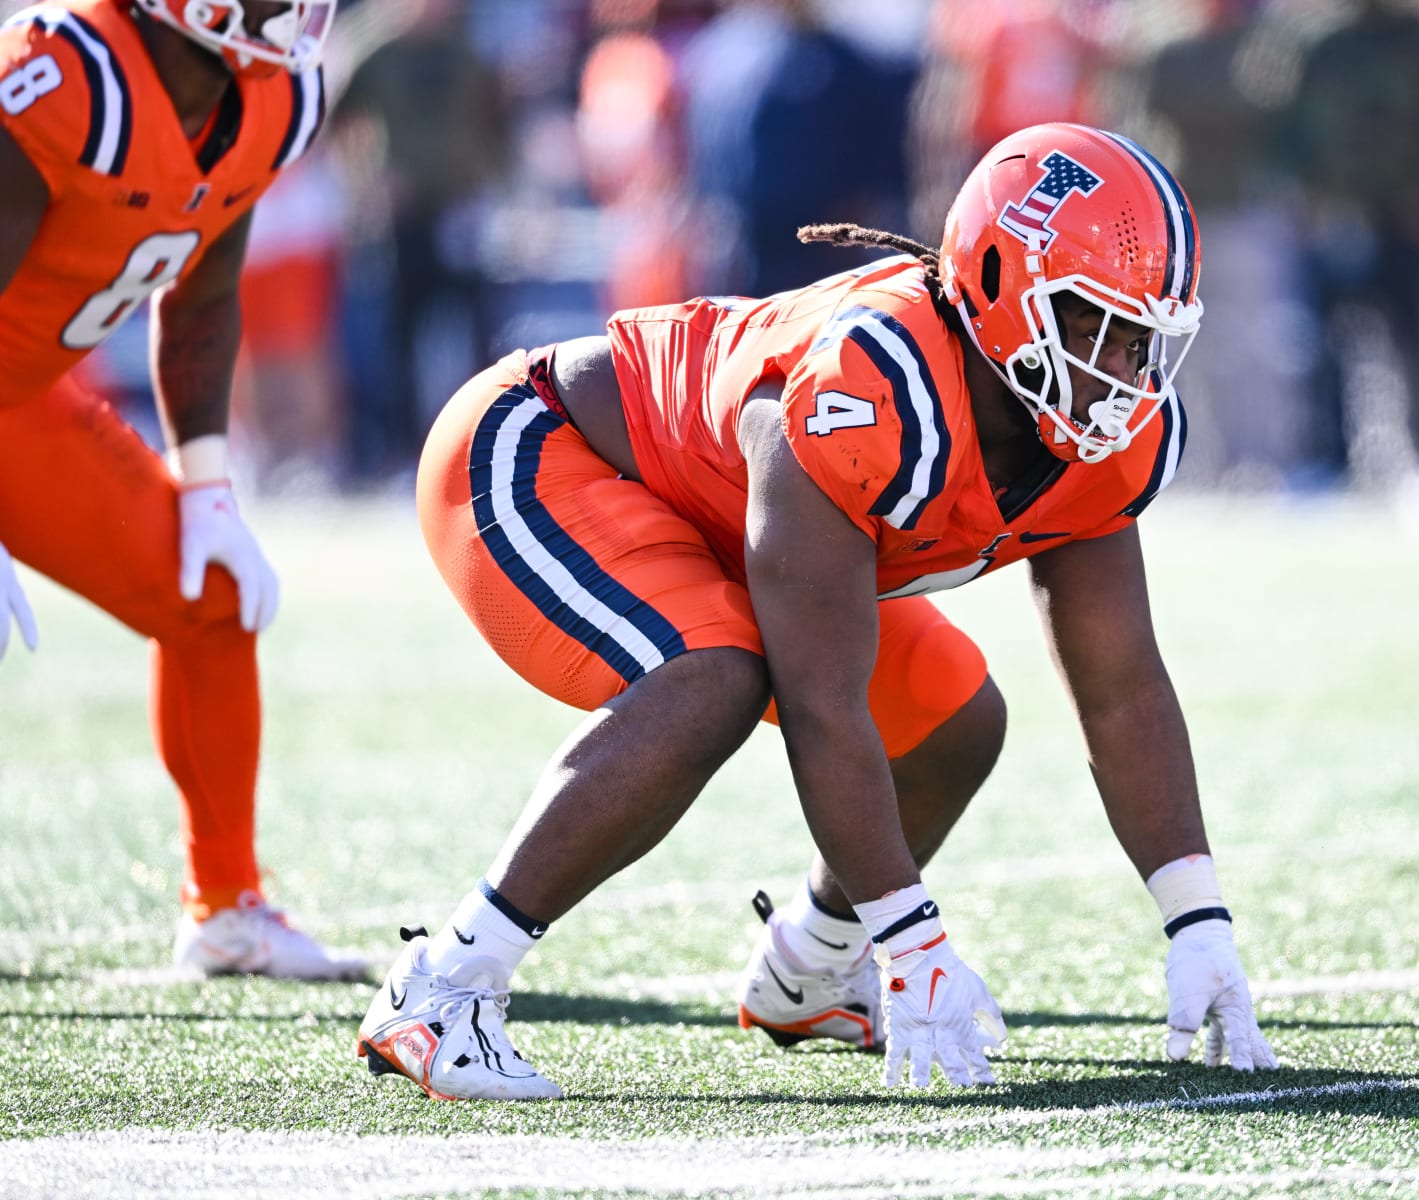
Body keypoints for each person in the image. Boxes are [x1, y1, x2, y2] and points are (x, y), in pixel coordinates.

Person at [355, 122, 1279, 1100]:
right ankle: (446, 981)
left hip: (727, 518)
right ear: (1003, 287)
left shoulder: (1100, 434)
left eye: (1148, 334)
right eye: (1099, 324)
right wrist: (913, 939)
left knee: (956, 719)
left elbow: (1123, 687)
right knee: (717, 677)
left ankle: (810, 966)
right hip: (542, 448)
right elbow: (823, 704)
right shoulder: (869, 387)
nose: (1129, 365)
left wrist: (1197, 917)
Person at [0, 0, 361, 979]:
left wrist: (205, 484)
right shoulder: (64, 78)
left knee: (208, 601)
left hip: (21, 398)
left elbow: (200, 289)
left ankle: (227, 907)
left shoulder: (276, 97)